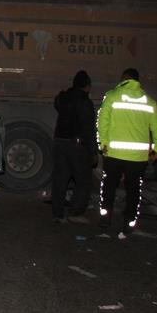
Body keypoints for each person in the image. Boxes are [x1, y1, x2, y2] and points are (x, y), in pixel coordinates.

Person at [97, 68, 157, 239]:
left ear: (124, 79)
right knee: (133, 190)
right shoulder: (150, 102)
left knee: (109, 186)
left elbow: (102, 122)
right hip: (137, 158)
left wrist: (103, 144)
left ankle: (106, 217)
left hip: (114, 153)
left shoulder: (112, 96)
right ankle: (129, 223)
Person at [51, 70, 97, 224]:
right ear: (87, 86)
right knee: (83, 180)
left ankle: (57, 213)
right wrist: (93, 151)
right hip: (77, 145)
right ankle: (75, 212)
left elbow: (57, 103)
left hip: (60, 141)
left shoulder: (63, 98)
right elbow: (88, 128)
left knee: (60, 179)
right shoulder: (85, 102)